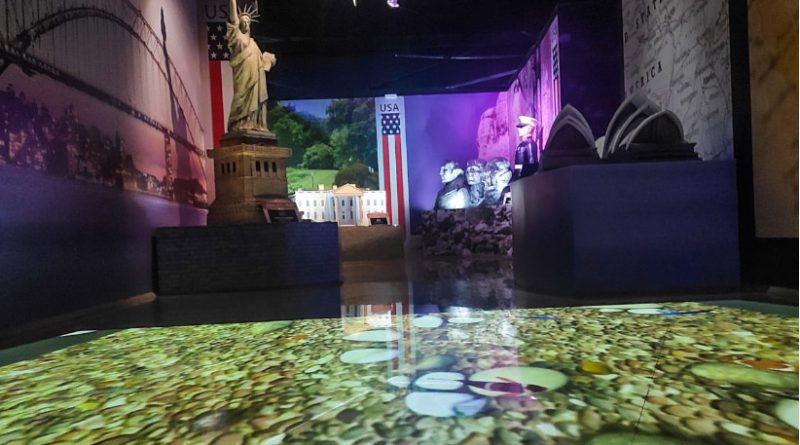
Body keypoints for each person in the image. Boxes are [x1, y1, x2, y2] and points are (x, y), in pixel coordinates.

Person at [227, 0, 277, 134]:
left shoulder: (253, 44)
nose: (246, 23)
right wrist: (233, 1)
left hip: (256, 78)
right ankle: (239, 122)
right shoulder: (236, 38)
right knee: (240, 99)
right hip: (243, 77)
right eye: (243, 21)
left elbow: (262, 62)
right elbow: (233, 19)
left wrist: (268, 60)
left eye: (248, 22)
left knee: (256, 99)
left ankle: (255, 123)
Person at [513, 115, 539, 179]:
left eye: (522, 127)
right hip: (519, 175)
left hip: (523, 176)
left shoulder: (529, 144)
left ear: (529, 128)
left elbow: (532, 166)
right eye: (519, 127)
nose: (519, 129)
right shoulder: (524, 143)